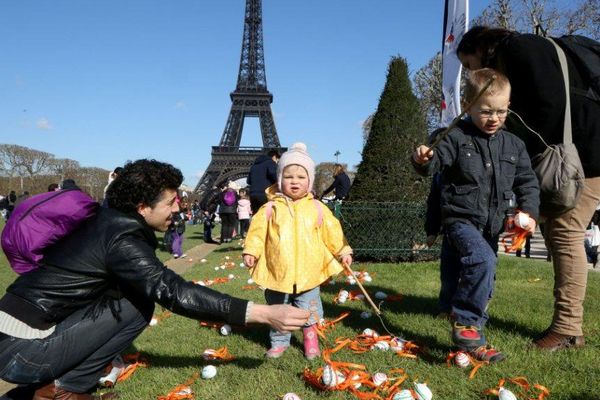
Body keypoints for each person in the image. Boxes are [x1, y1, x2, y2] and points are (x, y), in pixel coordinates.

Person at [0, 159, 310, 400]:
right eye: (171, 201)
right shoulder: (121, 239)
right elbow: (172, 291)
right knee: (137, 302)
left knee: (134, 297)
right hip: (22, 352)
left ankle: (56, 388)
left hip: (17, 339)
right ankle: (61, 389)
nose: (179, 207)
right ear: (142, 207)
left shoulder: (107, 224)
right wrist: (262, 313)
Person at [457, 26, 600, 351]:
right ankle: (567, 326)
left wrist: (515, 154)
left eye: (469, 64)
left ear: (480, 48)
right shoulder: (523, 50)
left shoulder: (521, 49)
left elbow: (548, 105)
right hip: (583, 150)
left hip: (585, 155)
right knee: (558, 233)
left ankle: (567, 329)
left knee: (565, 232)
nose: (472, 73)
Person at [412, 68, 539, 362]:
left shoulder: (514, 145)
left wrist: (529, 211)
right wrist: (422, 159)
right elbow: (433, 162)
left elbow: (527, 182)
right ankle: (468, 322)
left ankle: (461, 325)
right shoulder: (454, 137)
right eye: (485, 111)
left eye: (501, 111)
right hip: (459, 219)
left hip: (492, 223)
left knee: (474, 272)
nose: (493, 118)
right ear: (467, 106)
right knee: (482, 261)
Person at [243, 143, 353, 360]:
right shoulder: (269, 209)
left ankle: (310, 337)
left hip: (308, 272)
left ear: (309, 181)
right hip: (277, 271)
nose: (294, 181)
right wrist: (251, 251)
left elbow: (332, 232)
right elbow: (257, 233)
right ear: (279, 178)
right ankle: (279, 341)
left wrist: (342, 250)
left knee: (308, 309)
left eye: (301, 177)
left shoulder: (318, 209)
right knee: (278, 309)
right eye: (289, 176)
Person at [247, 149, 281, 214]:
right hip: (265, 194)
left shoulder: (254, 166)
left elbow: (248, 181)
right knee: (267, 217)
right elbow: (274, 176)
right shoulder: (270, 163)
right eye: (277, 159)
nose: (276, 161)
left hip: (253, 195)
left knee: (256, 217)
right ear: (274, 156)